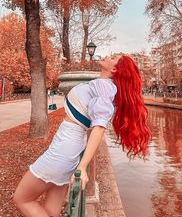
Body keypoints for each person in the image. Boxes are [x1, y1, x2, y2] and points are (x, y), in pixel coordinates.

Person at [14, 55, 152, 217]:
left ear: (114, 69)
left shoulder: (104, 87)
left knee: (22, 199)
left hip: (64, 149)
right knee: (51, 211)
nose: (108, 56)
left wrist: (82, 167)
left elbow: (99, 128)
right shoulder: (103, 85)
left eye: (113, 57)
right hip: (68, 146)